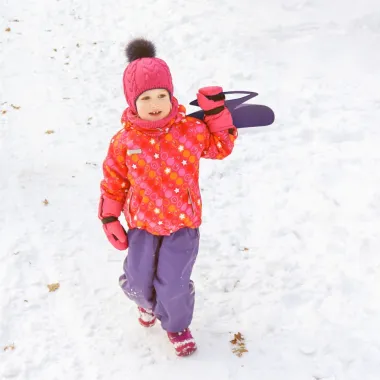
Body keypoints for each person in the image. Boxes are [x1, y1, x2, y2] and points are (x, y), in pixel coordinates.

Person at [98, 38, 238, 357]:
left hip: (182, 225)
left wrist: (216, 112)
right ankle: (145, 305)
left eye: (162, 94)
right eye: (146, 97)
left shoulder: (189, 130)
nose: (156, 103)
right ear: (133, 101)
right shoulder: (124, 142)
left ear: (171, 95)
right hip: (143, 226)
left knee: (172, 285)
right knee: (136, 282)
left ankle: (176, 326)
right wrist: (109, 216)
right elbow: (114, 181)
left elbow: (220, 147)